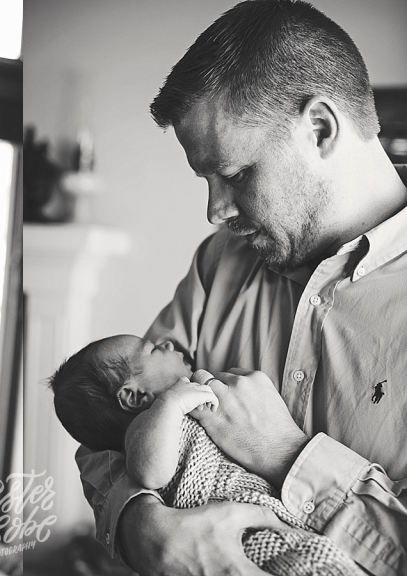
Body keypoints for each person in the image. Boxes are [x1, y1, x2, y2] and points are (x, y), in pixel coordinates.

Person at [73, 2, 407, 576]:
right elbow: (104, 430)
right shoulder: (218, 264)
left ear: (320, 129)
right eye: (205, 180)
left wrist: (284, 456)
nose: (214, 211)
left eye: (234, 174)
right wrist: (136, 527)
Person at [51, 335, 364, 576]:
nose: (170, 342)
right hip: (234, 534)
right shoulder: (144, 429)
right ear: (133, 396)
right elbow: (151, 473)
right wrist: (170, 405)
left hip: (271, 509)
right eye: (155, 349)